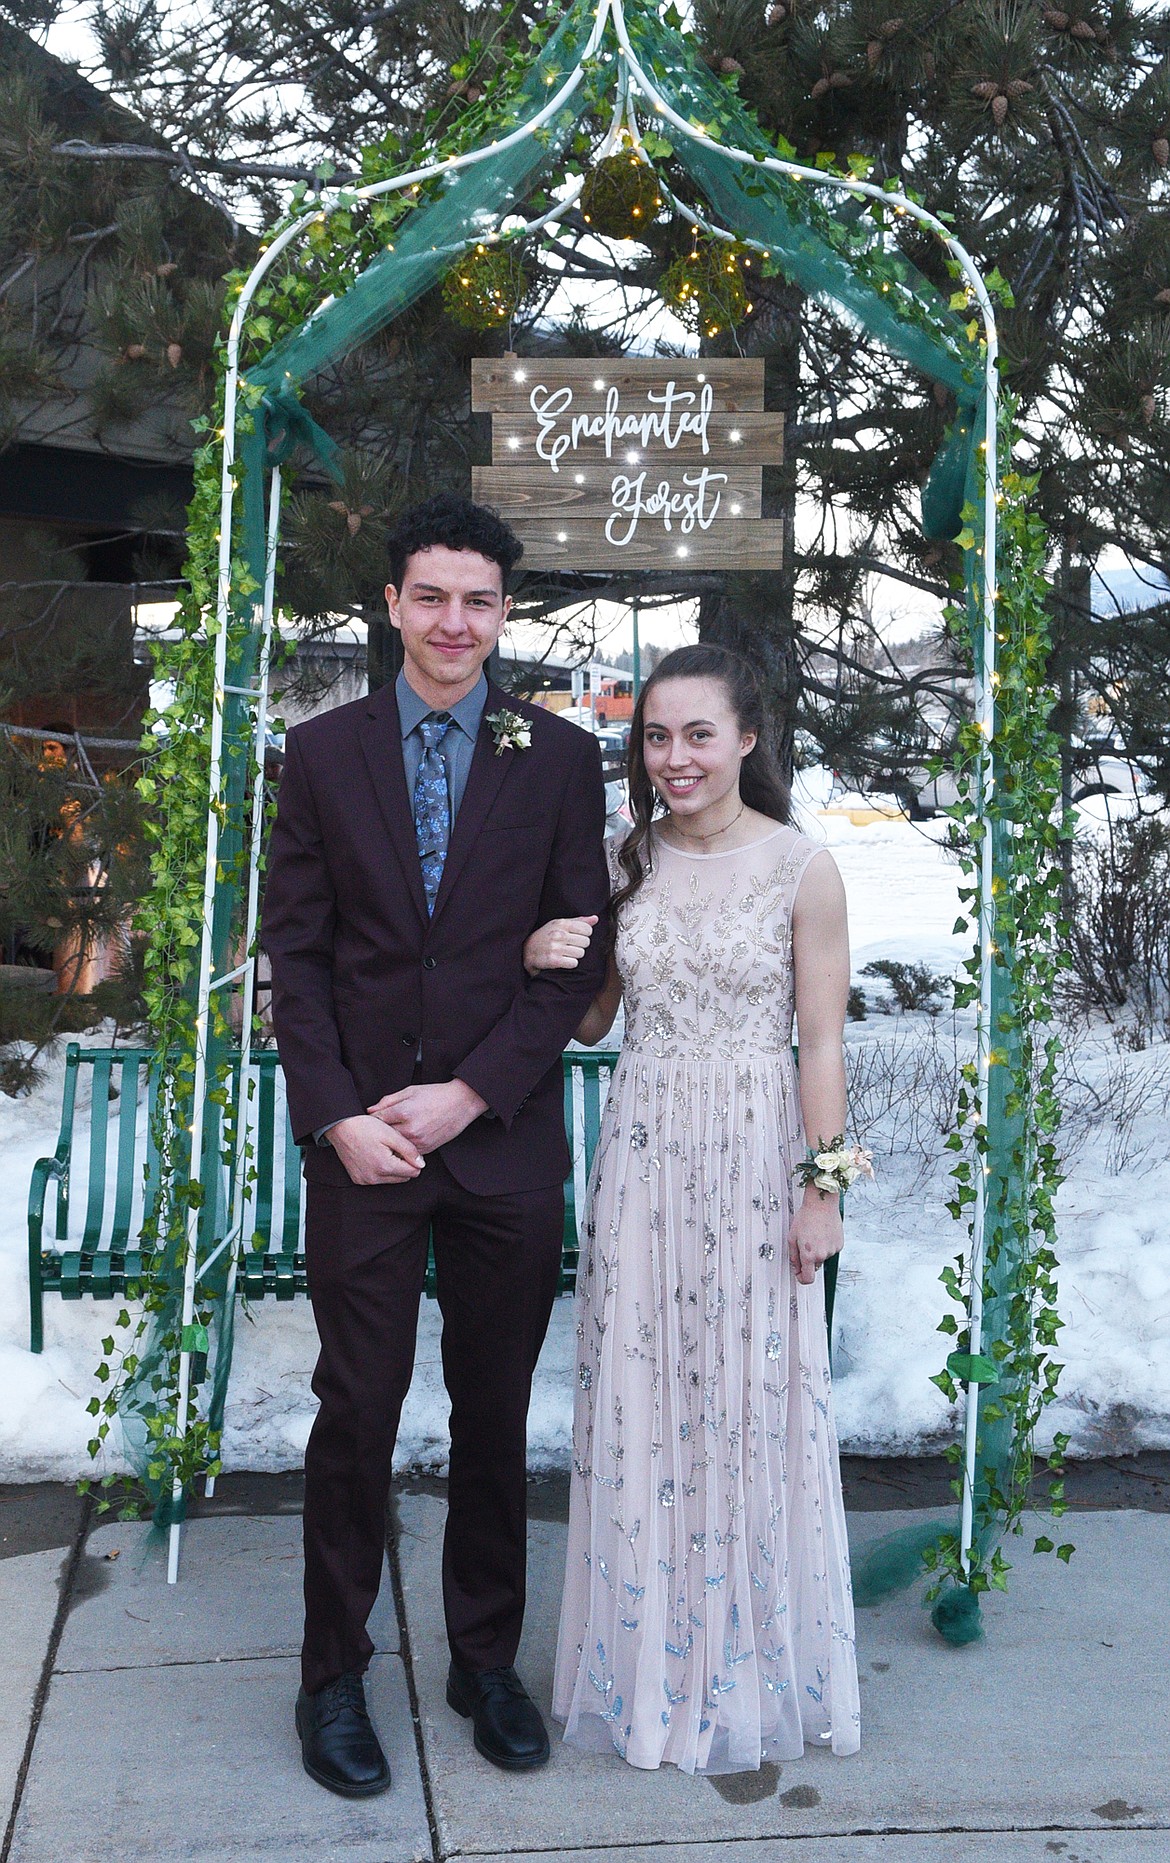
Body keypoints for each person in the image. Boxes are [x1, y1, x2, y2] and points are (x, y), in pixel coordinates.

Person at [262, 493, 610, 1797]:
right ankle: (332, 1671)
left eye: (479, 598)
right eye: (431, 595)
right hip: (362, 1147)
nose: (454, 619)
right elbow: (296, 955)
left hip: (499, 1148)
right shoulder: (322, 751)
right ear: (393, 605)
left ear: (501, 612)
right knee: (353, 1411)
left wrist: (473, 1092)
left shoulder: (559, 760)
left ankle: (482, 1659)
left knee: (493, 1411)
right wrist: (338, 1112)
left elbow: (579, 954)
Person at [524, 642, 861, 1774]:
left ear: (747, 738)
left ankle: (753, 1671)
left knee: (751, 1403)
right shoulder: (631, 860)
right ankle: (653, 1667)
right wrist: (546, 947)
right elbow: (587, 1022)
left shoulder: (803, 868)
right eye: (656, 738)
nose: (675, 758)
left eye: (697, 734)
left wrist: (824, 1189)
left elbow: (823, 1045)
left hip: (757, 1150)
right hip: (648, 1156)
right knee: (646, 1404)